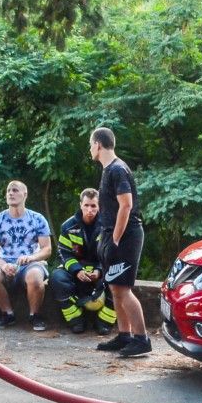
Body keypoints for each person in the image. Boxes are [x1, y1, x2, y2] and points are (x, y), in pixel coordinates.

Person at [89, 126, 150, 358]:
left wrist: (115, 238)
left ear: (98, 144)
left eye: (90, 145)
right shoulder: (108, 170)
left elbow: (126, 204)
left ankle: (141, 339)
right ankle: (125, 335)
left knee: (123, 289)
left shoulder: (117, 169)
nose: (90, 150)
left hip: (126, 236)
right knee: (114, 287)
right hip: (112, 235)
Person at [0, 180, 53, 332]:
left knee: (35, 276)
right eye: (8, 191)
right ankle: (7, 314)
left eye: (15, 190)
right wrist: (3, 265)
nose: (10, 193)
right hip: (6, 263)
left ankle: (34, 315)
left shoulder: (37, 219)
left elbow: (47, 249)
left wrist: (32, 258)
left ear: (25, 194)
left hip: (31, 263)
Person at [50, 188, 118, 335]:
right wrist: (77, 270)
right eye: (86, 205)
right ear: (80, 204)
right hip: (76, 267)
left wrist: (99, 270)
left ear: (99, 206)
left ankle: (104, 322)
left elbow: (111, 253)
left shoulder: (109, 225)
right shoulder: (67, 226)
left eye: (93, 206)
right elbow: (63, 253)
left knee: (119, 278)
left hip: (101, 267)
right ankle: (76, 320)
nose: (89, 210)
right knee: (57, 277)